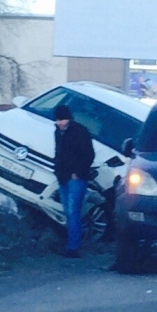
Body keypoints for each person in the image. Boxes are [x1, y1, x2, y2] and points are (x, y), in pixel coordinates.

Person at [53, 104, 95, 258]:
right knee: (70, 212)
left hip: (75, 177)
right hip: (64, 176)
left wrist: (78, 172)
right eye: (58, 120)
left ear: (69, 118)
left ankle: (73, 247)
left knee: (72, 211)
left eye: (62, 119)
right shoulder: (59, 132)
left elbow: (88, 154)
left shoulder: (79, 132)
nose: (60, 123)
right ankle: (72, 245)